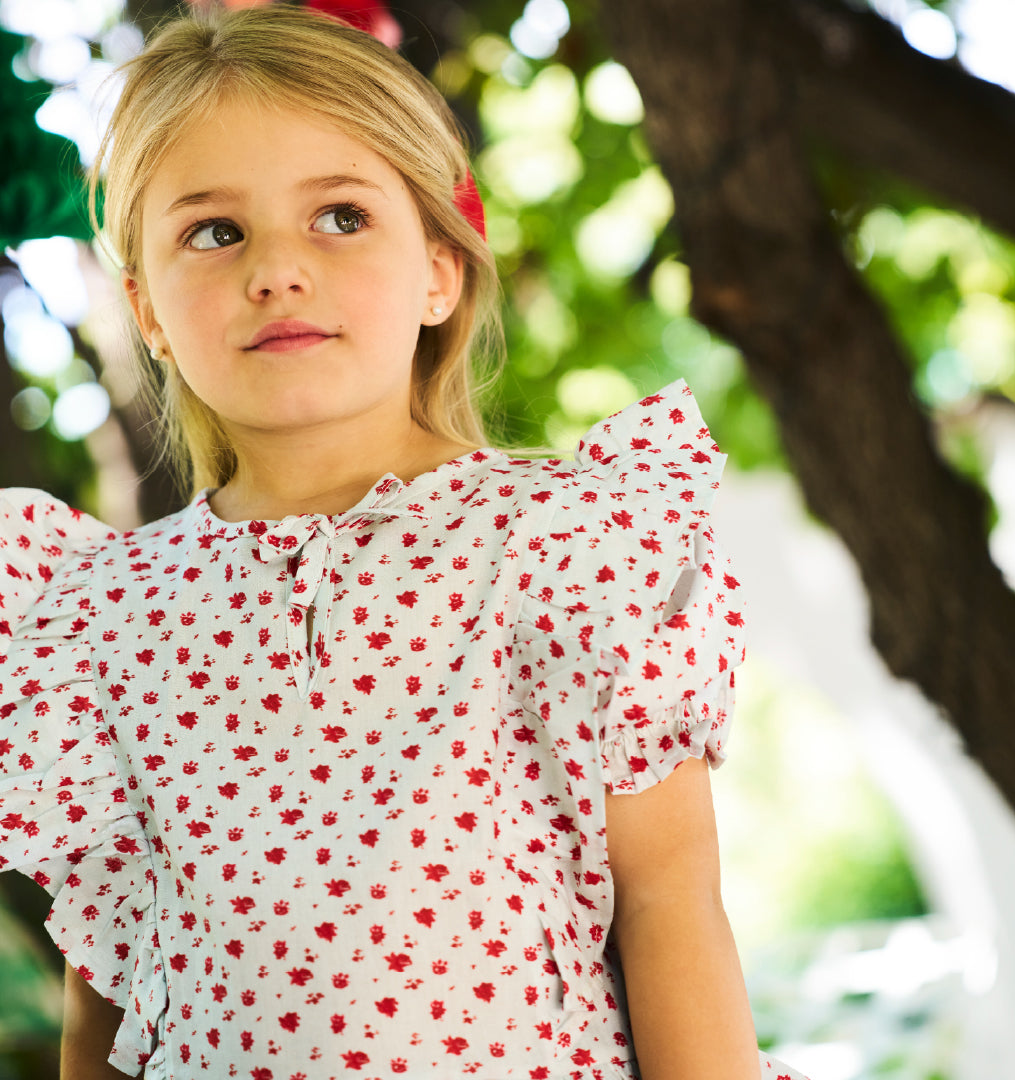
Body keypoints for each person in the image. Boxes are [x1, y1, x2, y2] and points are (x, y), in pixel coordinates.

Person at [0, 7, 810, 1079]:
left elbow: (670, 905)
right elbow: (106, 984)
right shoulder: (89, 613)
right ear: (147, 308)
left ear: (441, 271)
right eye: (214, 231)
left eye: (339, 216)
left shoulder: (568, 544)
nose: (277, 270)